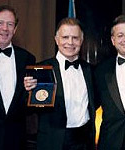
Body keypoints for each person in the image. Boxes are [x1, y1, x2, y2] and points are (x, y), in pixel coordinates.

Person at [24, 18, 96, 150]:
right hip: (53, 141)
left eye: (75, 38)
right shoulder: (40, 69)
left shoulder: (90, 70)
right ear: (56, 40)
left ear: (81, 40)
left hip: (84, 142)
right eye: (65, 37)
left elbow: (95, 102)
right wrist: (27, 92)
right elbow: (28, 109)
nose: (70, 42)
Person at [0, 5, 35, 150]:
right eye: (0, 23)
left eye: (10, 24)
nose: (5, 28)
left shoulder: (27, 58)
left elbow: (29, 104)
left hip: (17, 140)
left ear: (15, 29)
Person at [94, 15, 125, 150]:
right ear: (113, 40)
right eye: (120, 35)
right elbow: (89, 105)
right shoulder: (100, 70)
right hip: (110, 143)